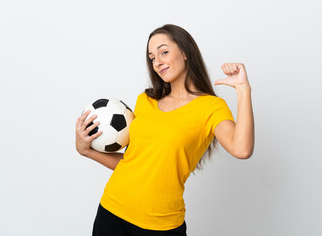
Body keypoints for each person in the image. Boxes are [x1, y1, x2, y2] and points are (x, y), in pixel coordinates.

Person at [75, 24, 254, 236]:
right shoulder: (145, 101)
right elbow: (133, 163)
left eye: (164, 52)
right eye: (152, 57)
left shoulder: (211, 107)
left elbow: (241, 150)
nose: (157, 62)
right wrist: (87, 151)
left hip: (160, 226)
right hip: (112, 211)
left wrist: (243, 89)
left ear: (186, 52)